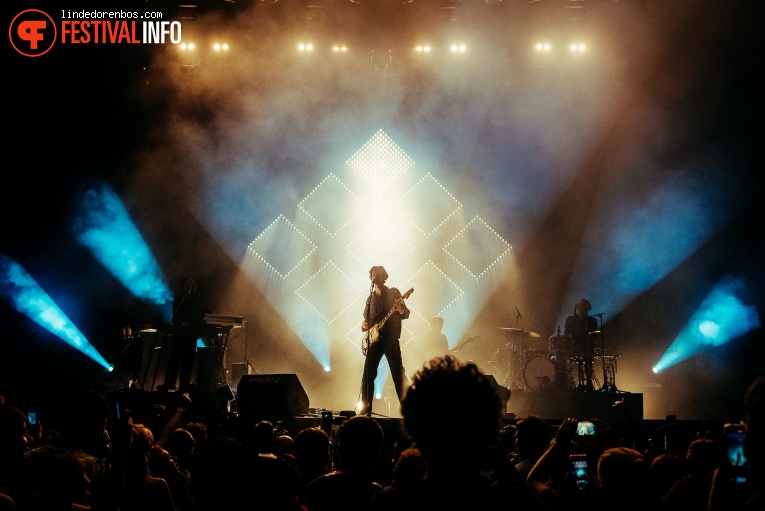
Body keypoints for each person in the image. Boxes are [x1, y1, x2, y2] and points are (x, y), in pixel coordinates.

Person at [359, 266, 410, 416]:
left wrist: (400, 309)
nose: (375, 276)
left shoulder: (394, 292)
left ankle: (407, 409)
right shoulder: (370, 299)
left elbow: (405, 313)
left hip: (390, 338)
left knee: (397, 373)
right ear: (370, 277)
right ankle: (365, 408)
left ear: (383, 276)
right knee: (368, 375)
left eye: (378, 274)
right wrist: (364, 326)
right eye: (373, 274)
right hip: (374, 340)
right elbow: (366, 321)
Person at [162, 277, 212, 393]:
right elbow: (175, 318)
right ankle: (169, 383)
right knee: (174, 360)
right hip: (179, 334)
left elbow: (209, 313)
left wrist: (197, 322)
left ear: (193, 286)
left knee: (188, 361)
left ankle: (183, 386)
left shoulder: (197, 300)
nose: (187, 287)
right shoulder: (178, 300)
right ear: (181, 287)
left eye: (189, 284)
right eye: (185, 285)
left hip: (191, 334)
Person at [564, 298, 599, 391]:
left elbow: (595, 336)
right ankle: (568, 380)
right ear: (578, 309)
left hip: (587, 347)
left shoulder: (592, 321)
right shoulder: (570, 320)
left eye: (586, 311)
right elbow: (566, 334)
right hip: (573, 346)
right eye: (583, 310)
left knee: (588, 354)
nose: (585, 312)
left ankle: (588, 380)